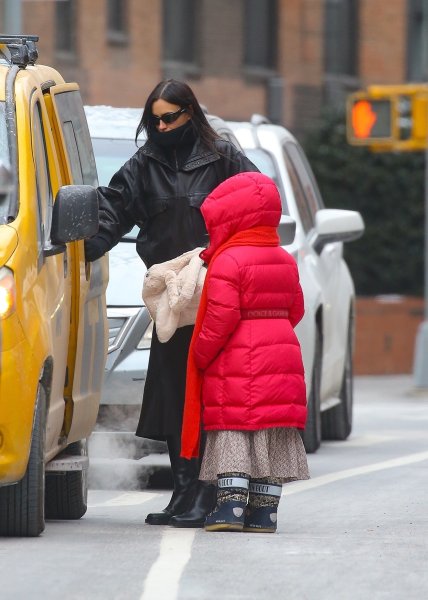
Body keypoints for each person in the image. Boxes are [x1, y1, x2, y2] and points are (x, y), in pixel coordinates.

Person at [84, 79, 258, 527]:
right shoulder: (144, 164)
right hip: (170, 302)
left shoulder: (224, 157)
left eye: (169, 118)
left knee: (206, 398)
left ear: (190, 113)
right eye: (154, 119)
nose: (160, 126)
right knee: (171, 397)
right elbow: (113, 209)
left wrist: (232, 262)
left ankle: (205, 493)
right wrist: (86, 245)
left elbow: (258, 204)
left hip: (216, 295)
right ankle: (183, 494)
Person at [181, 171, 310, 533]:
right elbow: (296, 309)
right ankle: (263, 514)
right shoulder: (285, 260)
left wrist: (201, 354)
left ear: (231, 218)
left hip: (237, 360)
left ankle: (230, 510)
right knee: (273, 433)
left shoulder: (228, 261)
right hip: (283, 359)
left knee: (234, 430)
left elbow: (221, 317)